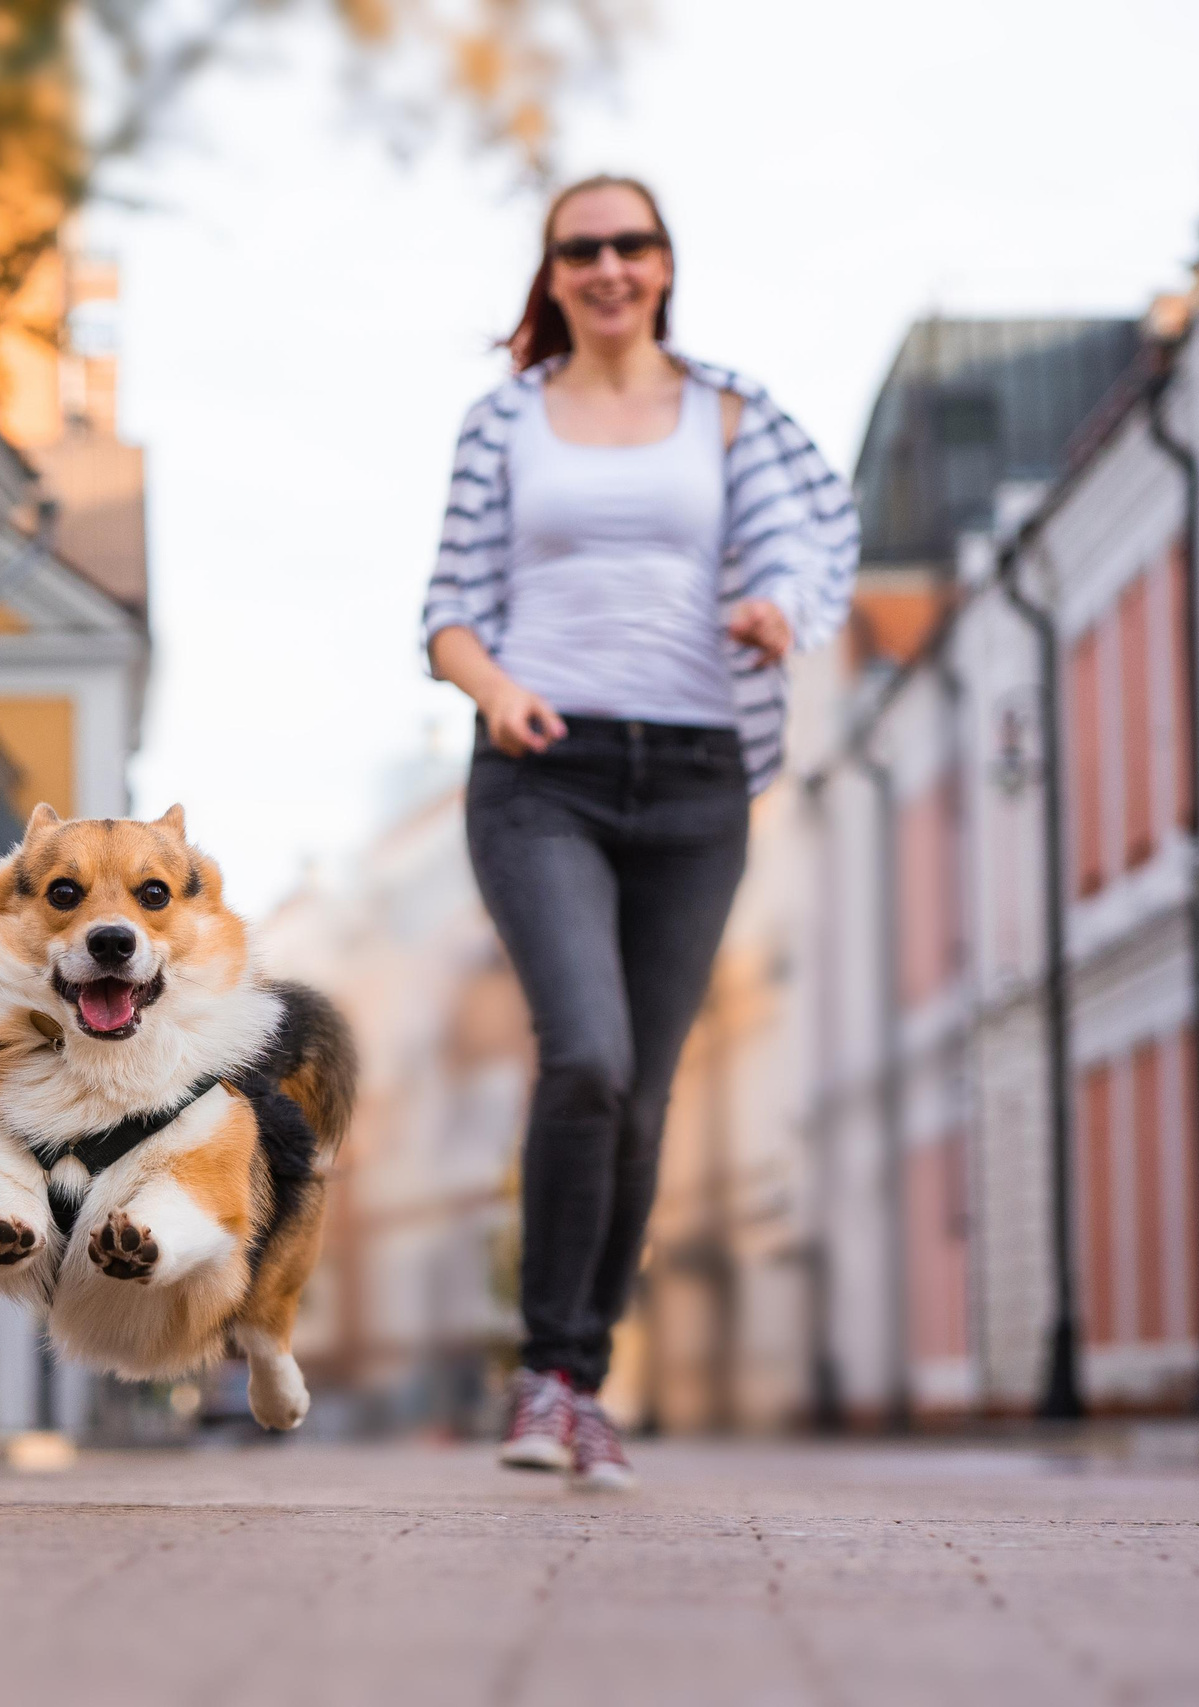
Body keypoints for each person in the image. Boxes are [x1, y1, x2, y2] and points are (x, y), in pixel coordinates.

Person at [422, 175, 858, 1489]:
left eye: (632, 244)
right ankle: (545, 1372)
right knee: (589, 1056)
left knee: (646, 1095)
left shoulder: (731, 413)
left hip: (693, 778)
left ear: (664, 264)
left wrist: (776, 610)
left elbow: (805, 548)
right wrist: (498, 691)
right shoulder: (505, 421)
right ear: (551, 274)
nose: (609, 265)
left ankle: (582, 1385)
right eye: (582, 248)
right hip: (541, 768)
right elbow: (448, 612)